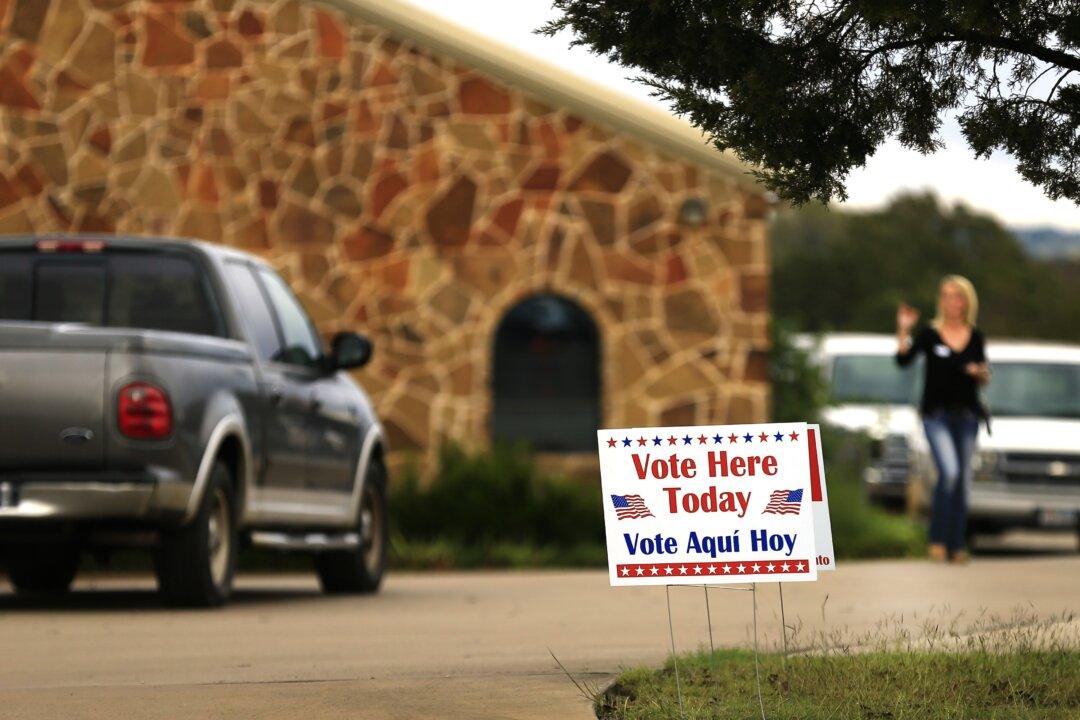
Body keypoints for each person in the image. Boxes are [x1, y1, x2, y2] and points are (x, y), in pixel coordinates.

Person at [895, 275, 991, 563]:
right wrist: (903, 330)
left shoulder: (975, 337)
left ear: (966, 301)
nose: (951, 301)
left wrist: (980, 373)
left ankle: (957, 545)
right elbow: (903, 360)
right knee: (948, 472)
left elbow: (984, 374)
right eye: (946, 295)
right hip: (936, 416)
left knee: (962, 480)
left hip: (967, 416)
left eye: (956, 296)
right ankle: (936, 539)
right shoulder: (930, 335)